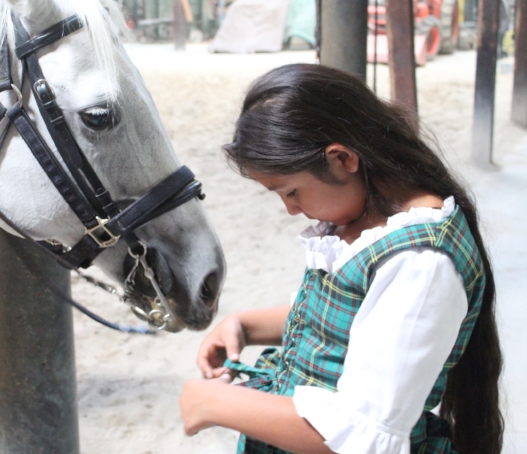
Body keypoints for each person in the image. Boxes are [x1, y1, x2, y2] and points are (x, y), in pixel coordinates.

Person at [179, 64, 503, 454]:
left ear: (342, 158)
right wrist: (244, 325)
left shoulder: (421, 263)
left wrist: (215, 403)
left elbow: (364, 437)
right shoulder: (367, 215)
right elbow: (356, 320)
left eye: (292, 191)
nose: (291, 210)